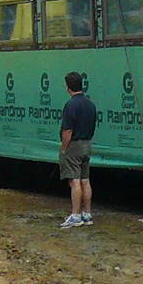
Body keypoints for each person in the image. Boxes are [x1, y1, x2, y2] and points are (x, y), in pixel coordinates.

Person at [58, 71, 97, 228]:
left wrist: (63, 149)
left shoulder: (71, 105)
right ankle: (87, 214)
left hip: (74, 145)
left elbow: (68, 131)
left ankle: (75, 215)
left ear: (68, 87)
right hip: (88, 144)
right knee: (85, 180)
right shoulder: (91, 105)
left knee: (74, 182)